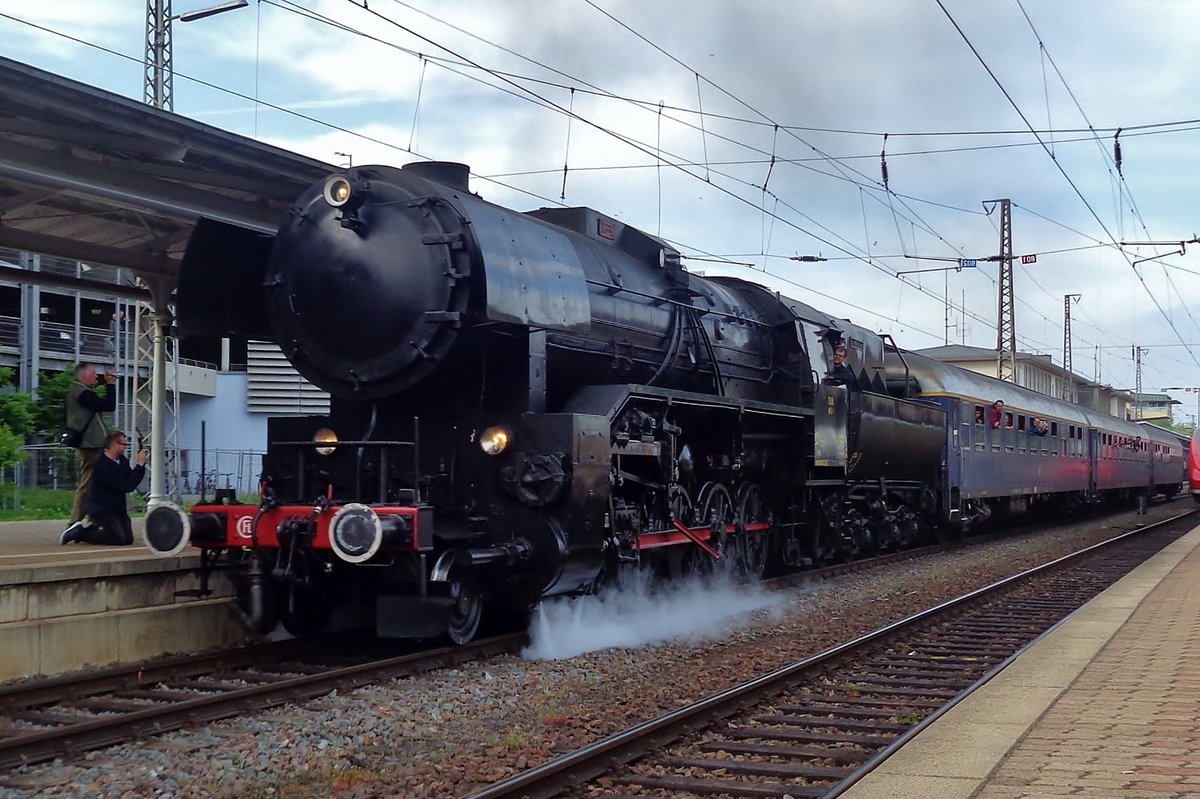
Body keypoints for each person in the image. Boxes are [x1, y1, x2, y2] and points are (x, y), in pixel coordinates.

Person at [61, 431, 148, 546]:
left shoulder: (122, 461)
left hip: (117, 508)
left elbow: (130, 479)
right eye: (123, 444)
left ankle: (95, 529)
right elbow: (127, 486)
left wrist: (140, 466)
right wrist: (139, 465)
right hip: (102, 508)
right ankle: (80, 532)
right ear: (114, 445)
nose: (125, 448)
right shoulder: (102, 465)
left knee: (127, 539)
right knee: (118, 539)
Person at [64, 362, 117, 534]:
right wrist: (110, 385)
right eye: (93, 372)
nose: (96, 376)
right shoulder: (82, 393)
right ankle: (75, 522)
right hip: (90, 445)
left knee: (96, 484)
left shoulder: (79, 392)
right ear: (83, 376)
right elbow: (109, 405)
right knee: (88, 483)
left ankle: (94, 519)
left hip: (91, 444)